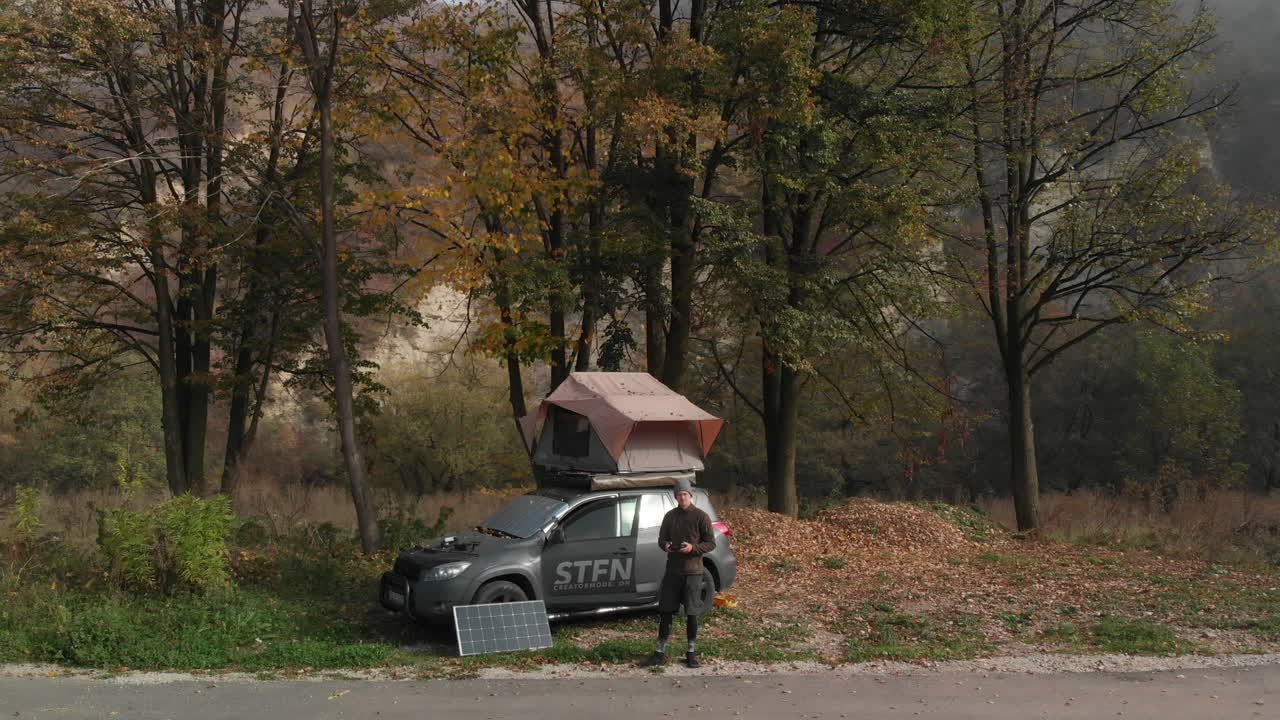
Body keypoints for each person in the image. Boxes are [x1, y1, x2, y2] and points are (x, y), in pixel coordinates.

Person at [640, 476, 716, 668]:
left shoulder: (701, 516)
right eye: (679, 495)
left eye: (684, 494)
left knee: (692, 613)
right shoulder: (670, 516)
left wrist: (693, 549)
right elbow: (661, 539)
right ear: (675, 496)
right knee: (666, 611)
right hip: (672, 571)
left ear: (690, 495)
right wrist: (664, 545)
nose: (682, 498)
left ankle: (691, 653)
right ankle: (659, 652)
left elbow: (711, 543)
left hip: (693, 572)